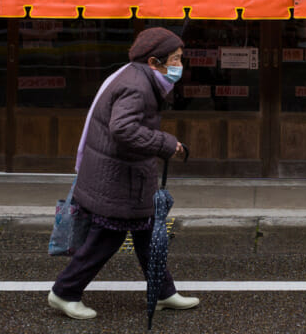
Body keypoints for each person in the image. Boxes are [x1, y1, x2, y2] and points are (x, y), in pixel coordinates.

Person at [47, 26, 200, 320]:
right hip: (118, 180)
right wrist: (167, 143)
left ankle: (164, 292)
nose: (180, 66)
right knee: (106, 239)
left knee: (146, 236)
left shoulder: (135, 74)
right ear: (154, 62)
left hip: (125, 176)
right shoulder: (137, 86)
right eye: (176, 59)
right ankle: (64, 292)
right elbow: (123, 128)